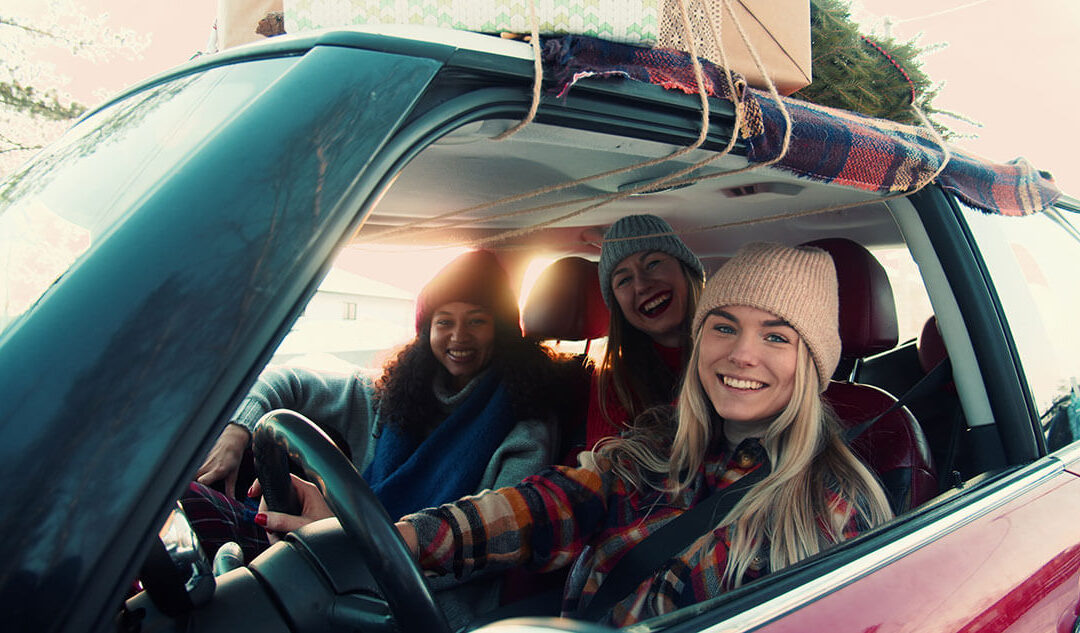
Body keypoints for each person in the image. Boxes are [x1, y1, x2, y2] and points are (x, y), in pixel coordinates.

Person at [259, 242, 893, 626]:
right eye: (724, 327)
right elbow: (538, 507)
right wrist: (384, 539)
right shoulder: (652, 449)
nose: (741, 355)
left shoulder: (832, 507)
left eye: (776, 336)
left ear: (812, 363)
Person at [185, 250, 566, 563]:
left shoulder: (524, 427)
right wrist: (238, 430)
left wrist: (353, 537)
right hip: (335, 550)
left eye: (476, 321)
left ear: (499, 328)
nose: (458, 336)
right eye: (444, 321)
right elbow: (286, 380)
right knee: (183, 502)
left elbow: (499, 537)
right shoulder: (390, 395)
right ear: (427, 331)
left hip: (412, 591)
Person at [584, 213, 705, 450]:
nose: (641, 285)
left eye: (653, 264)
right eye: (624, 280)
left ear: (685, 270)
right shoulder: (614, 380)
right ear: (617, 305)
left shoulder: (733, 351)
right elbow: (607, 469)